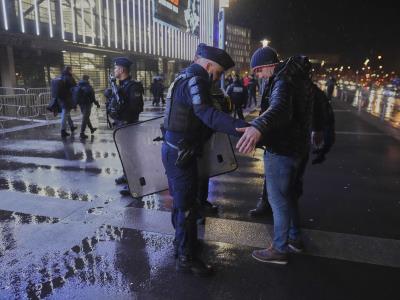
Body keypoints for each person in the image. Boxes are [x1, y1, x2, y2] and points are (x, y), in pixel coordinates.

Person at [162, 43, 248, 276]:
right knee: (186, 207)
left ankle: (183, 244)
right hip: (181, 152)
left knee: (183, 204)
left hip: (177, 150)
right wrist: (242, 128)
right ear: (209, 66)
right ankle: (186, 258)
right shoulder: (196, 79)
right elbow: (206, 114)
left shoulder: (184, 76)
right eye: (218, 73)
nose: (217, 78)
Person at [236, 47, 324, 265]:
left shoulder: (282, 79)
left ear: (267, 66)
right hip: (298, 147)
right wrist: (317, 129)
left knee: (277, 199)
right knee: (290, 195)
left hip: (282, 148)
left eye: (258, 71)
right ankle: (294, 238)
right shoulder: (299, 77)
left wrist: (258, 125)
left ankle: (279, 248)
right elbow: (314, 106)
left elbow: (281, 108)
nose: (258, 76)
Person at [107, 57, 144, 196]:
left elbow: (137, 107)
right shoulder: (121, 86)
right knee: (124, 153)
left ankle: (134, 184)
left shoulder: (133, 86)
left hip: (129, 125)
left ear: (122, 69)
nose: (114, 70)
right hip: (121, 125)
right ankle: (126, 175)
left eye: (116, 68)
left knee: (131, 155)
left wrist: (124, 114)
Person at [76, 75, 100, 139]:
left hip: (81, 104)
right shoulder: (88, 86)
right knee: (85, 118)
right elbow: (92, 97)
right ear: (87, 79)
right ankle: (82, 133)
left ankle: (91, 129)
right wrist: (97, 104)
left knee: (86, 117)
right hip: (87, 104)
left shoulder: (78, 85)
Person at [58, 66, 77, 138]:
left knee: (67, 113)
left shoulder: (61, 77)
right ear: (69, 70)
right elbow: (74, 89)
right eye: (72, 70)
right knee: (64, 114)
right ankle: (63, 131)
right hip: (67, 99)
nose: (72, 71)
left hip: (61, 99)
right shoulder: (69, 78)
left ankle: (71, 126)